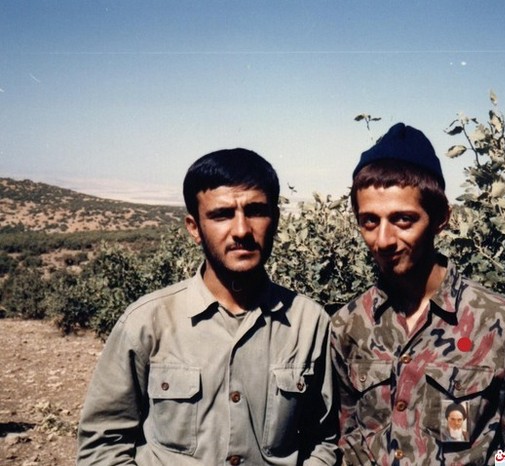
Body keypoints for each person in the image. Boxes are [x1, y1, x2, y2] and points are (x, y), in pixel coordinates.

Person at [77, 149, 339, 465]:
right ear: (194, 228)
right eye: (221, 215)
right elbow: (103, 446)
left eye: (256, 211)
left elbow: (324, 441)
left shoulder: (309, 324)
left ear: (276, 219)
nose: (241, 230)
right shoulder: (147, 323)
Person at [330, 123, 505, 465]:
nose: (383, 240)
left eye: (403, 219)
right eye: (369, 221)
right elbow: (344, 438)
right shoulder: (348, 325)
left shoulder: (501, 325)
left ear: (441, 218)